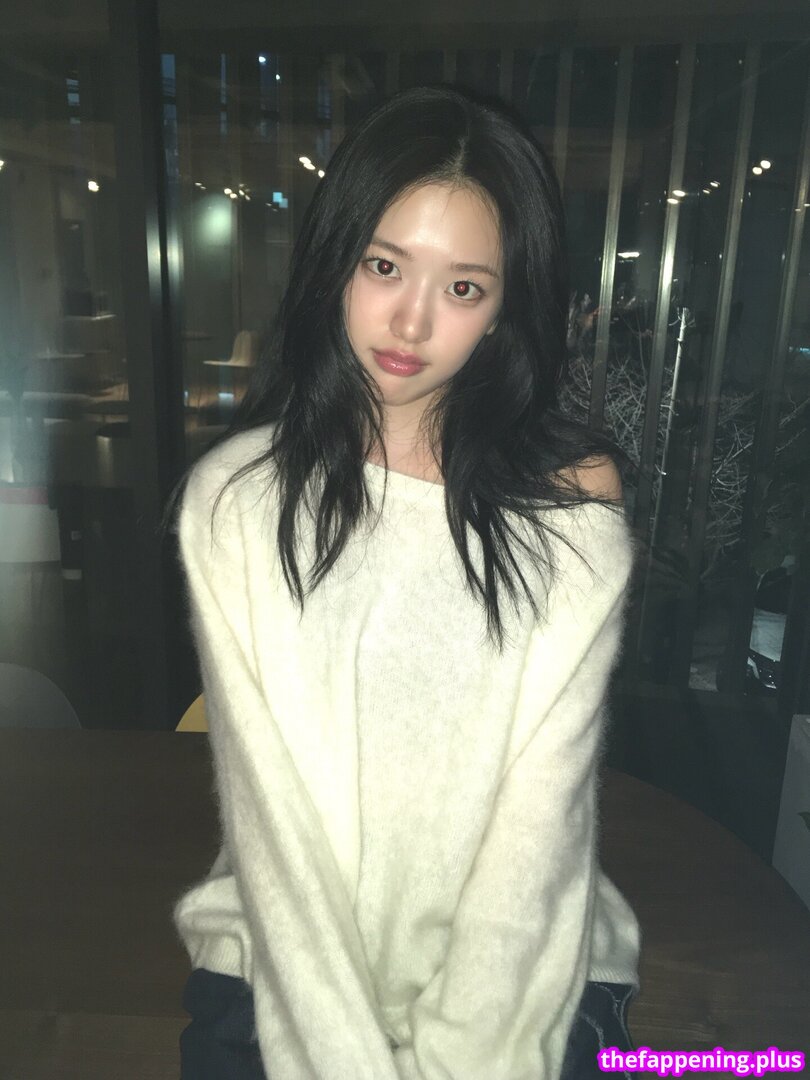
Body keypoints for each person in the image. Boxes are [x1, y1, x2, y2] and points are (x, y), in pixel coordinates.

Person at [166, 82, 643, 1080]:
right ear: (335, 261)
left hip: (522, 964)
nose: (412, 321)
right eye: (384, 266)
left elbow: (539, 820)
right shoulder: (238, 502)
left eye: (464, 288)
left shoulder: (567, 502)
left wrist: (464, 1055)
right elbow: (274, 831)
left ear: (504, 309)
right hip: (278, 958)